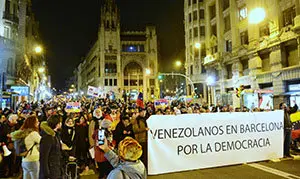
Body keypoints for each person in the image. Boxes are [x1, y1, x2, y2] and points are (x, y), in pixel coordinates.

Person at [39, 115, 63, 179]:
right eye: (60, 122)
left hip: (56, 167)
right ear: (57, 124)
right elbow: (44, 156)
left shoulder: (55, 134)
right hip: (51, 170)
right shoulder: (48, 137)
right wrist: (46, 174)